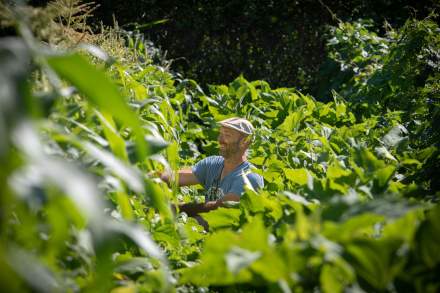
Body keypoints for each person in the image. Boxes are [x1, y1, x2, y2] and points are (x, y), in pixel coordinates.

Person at [160, 117, 264, 223]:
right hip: (208, 224)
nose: (220, 140)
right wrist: (154, 177)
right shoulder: (213, 164)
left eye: (227, 135)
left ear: (244, 142)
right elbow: (177, 177)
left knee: (188, 224)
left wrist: (176, 208)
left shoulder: (250, 177)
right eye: (220, 134)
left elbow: (218, 207)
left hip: (232, 235)